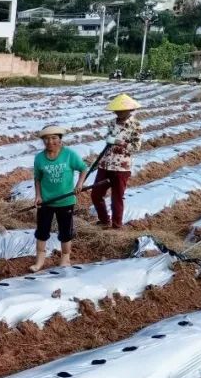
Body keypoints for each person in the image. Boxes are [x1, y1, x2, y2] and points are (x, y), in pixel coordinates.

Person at [31, 125, 88, 272]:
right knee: (42, 231)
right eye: (47, 139)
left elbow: (83, 168)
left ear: (60, 139)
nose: (50, 142)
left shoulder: (69, 155)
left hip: (66, 201)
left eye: (54, 138)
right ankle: (39, 260)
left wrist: (79, 184)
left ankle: (65, 258)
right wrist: (38, 196)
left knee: (65, 231)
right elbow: (37, 179)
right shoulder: (39, 158)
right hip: (46, 201)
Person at [91, 93, 143, 230]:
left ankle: (116, 226)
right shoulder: (111, 123)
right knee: (96, 194)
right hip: (106, 163)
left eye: (121, 110)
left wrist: (120, 142)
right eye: (116, 110)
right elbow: (108, 138)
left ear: (130, 110)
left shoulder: (135, 125)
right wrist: (110, 139)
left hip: (122, 167)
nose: (118, 112)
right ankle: (104, 220)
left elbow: (136, 147)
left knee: (117, 198)